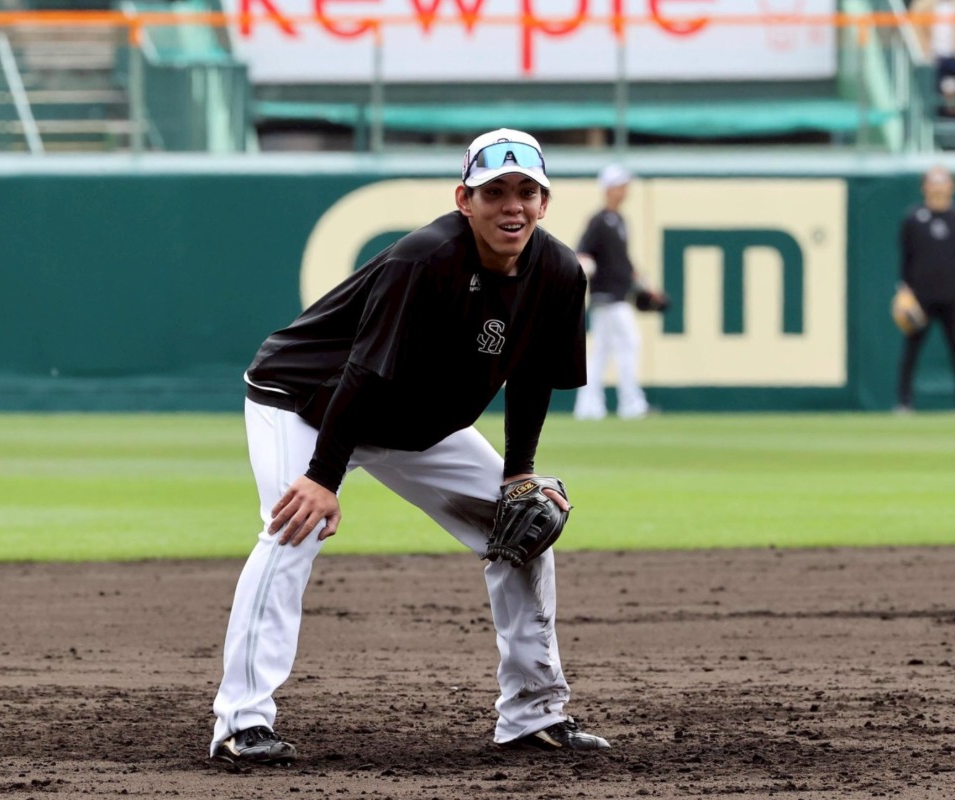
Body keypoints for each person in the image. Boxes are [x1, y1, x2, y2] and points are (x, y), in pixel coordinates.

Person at [210, 128, 610, 766]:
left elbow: (533, 377)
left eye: (525, 191)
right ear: (464, 199)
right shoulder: (423, 261)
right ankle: (241, 724)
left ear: (544, 202)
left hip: (417, 419)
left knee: (525, 527)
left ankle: (534, 714)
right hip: (309, 399)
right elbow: (363, 375)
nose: (511, 205)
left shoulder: (559, 273)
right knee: (294, 529)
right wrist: (322, 477)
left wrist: (519, 474)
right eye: (494, 192)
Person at [896, 165, 955, 413]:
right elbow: (906, 257)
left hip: (952, 295)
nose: (938, 186)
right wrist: (904, 290)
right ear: (924, 186)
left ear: (952, 186)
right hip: (919, 297)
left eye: (942, 181)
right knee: (911, 350)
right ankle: (904, 402)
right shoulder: (913, 218)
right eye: (933, 181)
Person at [572, 164, 650, 421]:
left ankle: (588, 406)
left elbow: (622, 260)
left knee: (602, 351)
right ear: (609, 188)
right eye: (620, 185)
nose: (625, 190)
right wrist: (585, 265)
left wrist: (641, 282)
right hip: (607, 294)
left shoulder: (620, 221)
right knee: (629, 342)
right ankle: (631, 403)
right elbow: (582, 250)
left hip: (618, 292)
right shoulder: (600, 220)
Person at [910, 0, 955, 116]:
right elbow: (915, 35)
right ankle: (935, 114)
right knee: (930, 77)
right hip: (933, 58)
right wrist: (925, 55)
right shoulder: (921, 5)